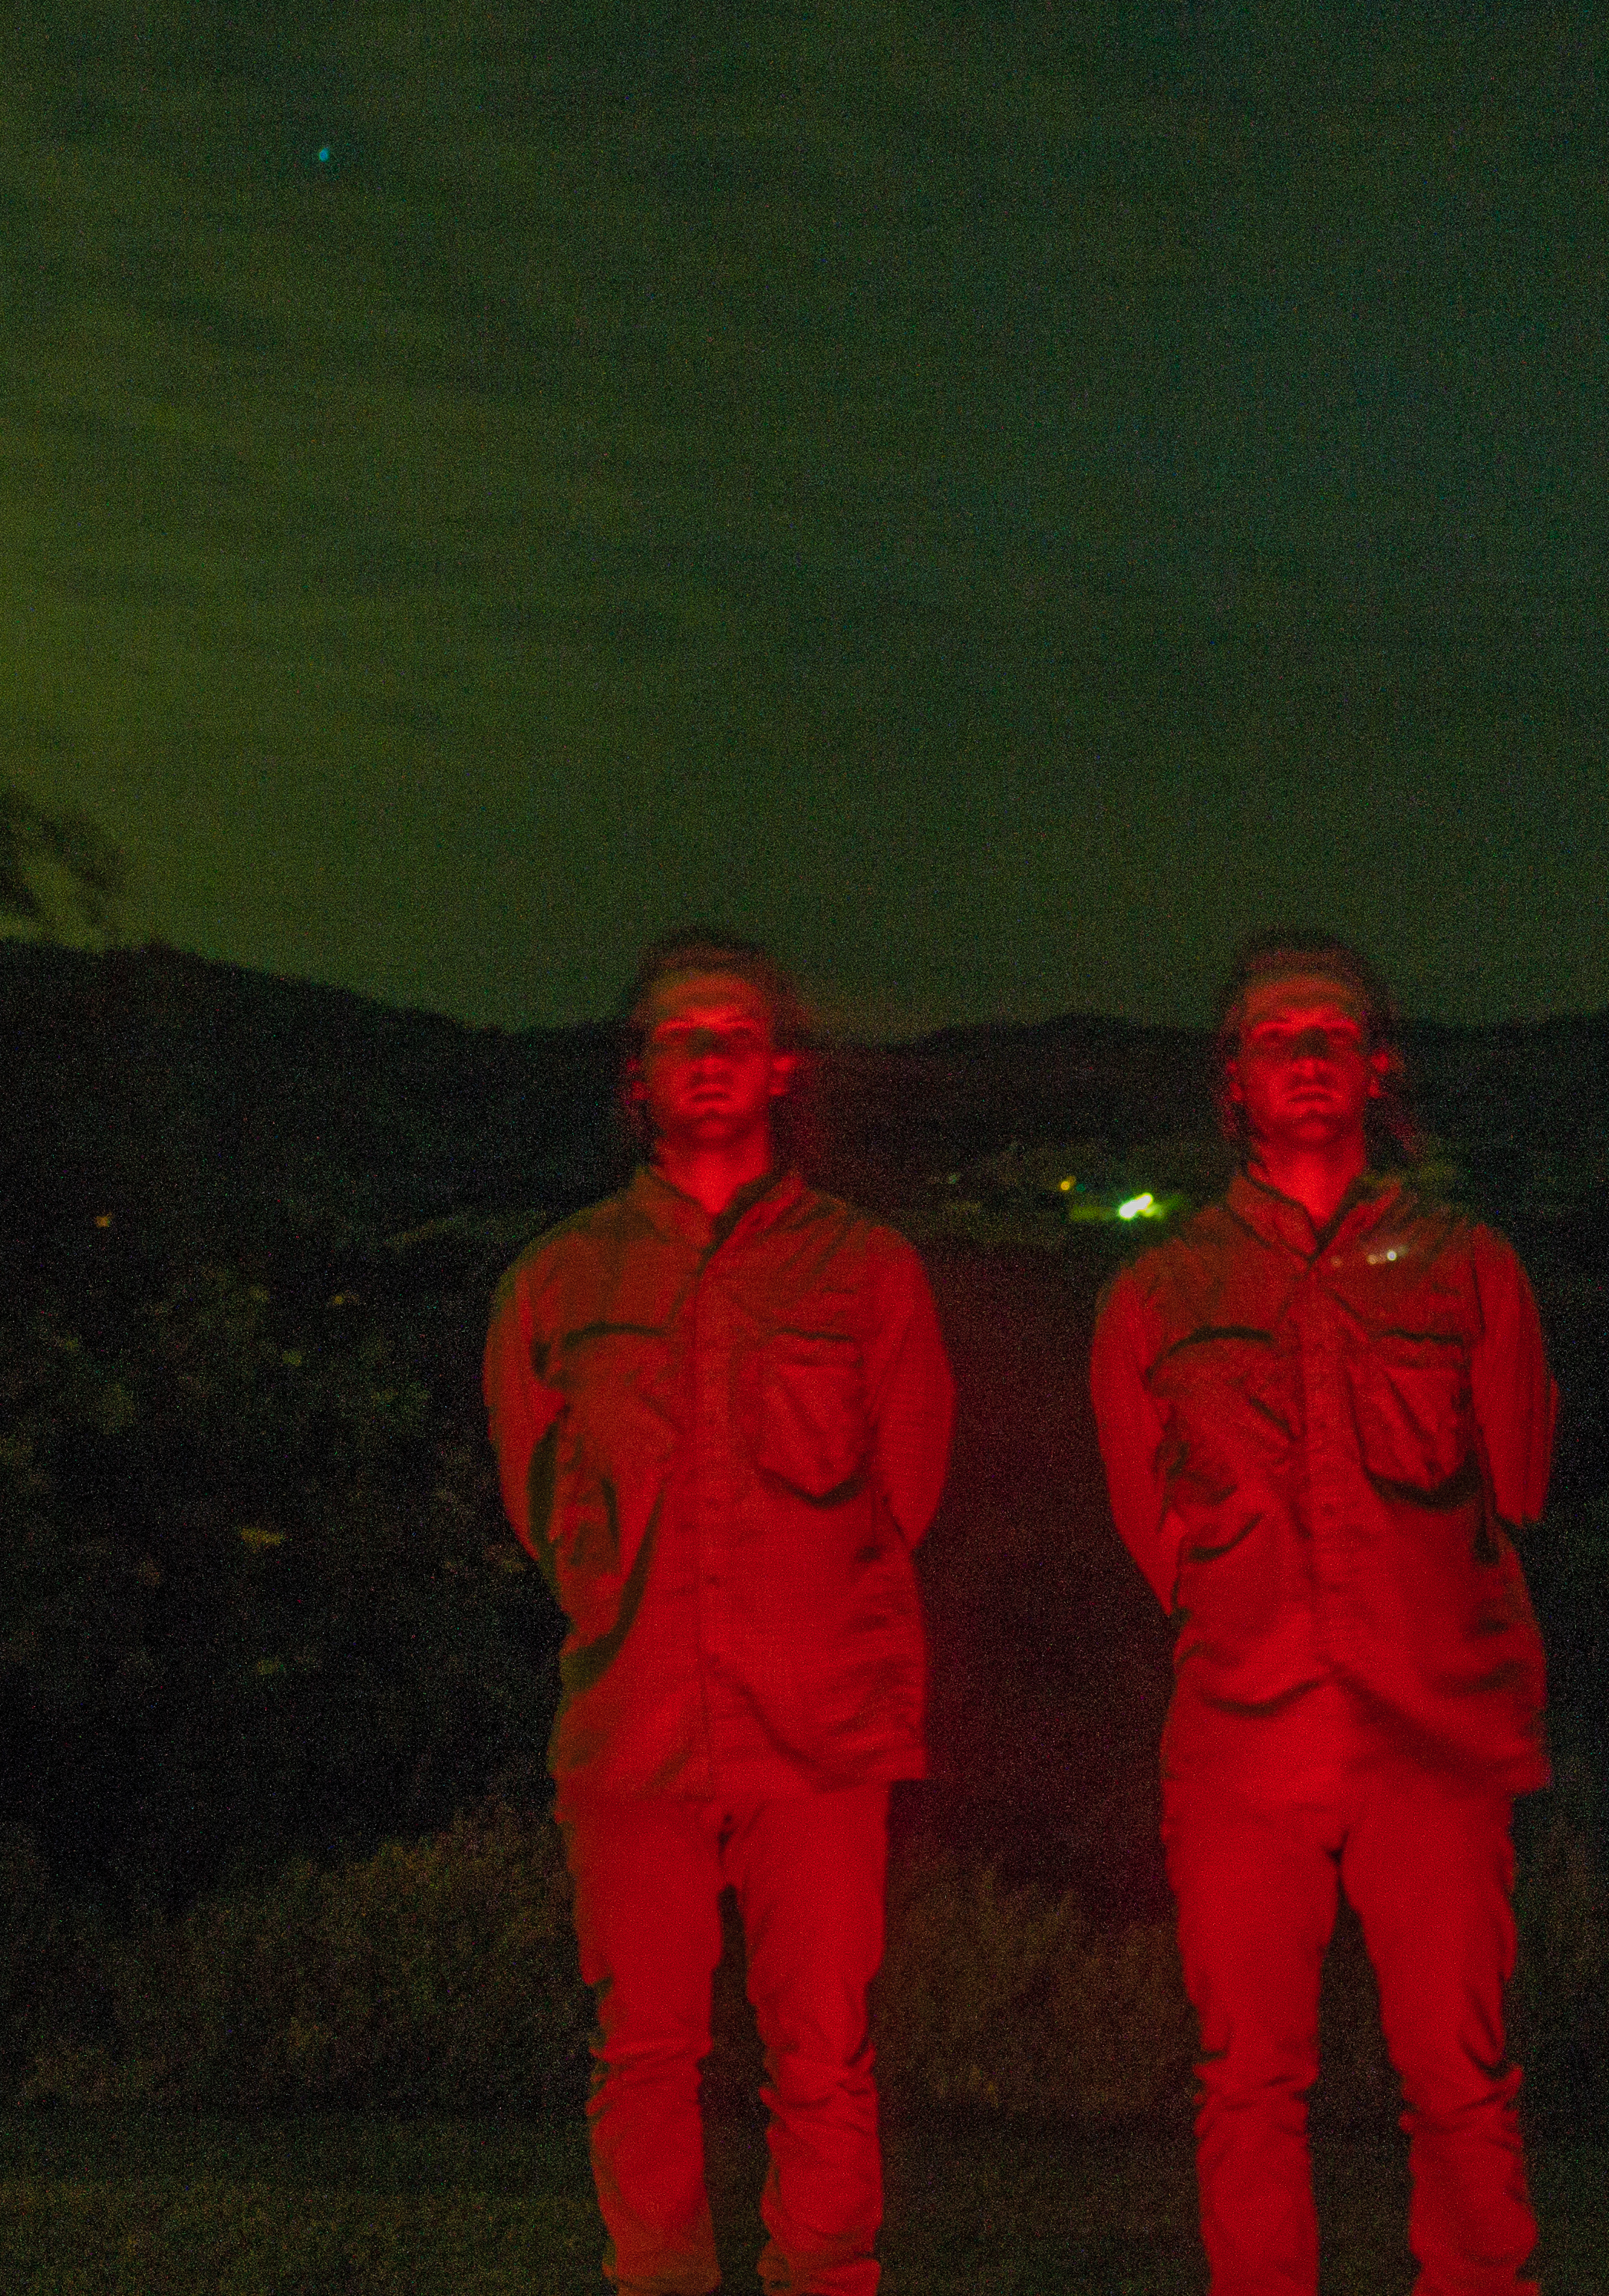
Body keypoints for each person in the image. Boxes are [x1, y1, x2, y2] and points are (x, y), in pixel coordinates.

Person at [1089, 931, 1557, 2296]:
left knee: (1460, 2076)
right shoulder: (1159, 1291)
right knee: (1246, 2079)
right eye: (1276, 1036)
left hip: (1439, 1737)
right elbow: (1153, 1530)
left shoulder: (1467, 1267)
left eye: (1333, 1034)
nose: (1305, 1056)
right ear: (1232, 1077)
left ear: (1375, 1068)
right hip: (1244, 1743)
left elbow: (1521, 1474)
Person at [486, 931, 951, 2296]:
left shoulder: (865, 1271)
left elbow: (907, 1484)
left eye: (734, 1033)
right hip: (634, 1726)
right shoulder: (560, 1280)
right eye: (677, 1036)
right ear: (637, 1073)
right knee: (642, 2051)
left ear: (781, 1067)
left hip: (822, 1725)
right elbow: (539, 1496)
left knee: (824, 2051)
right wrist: (619, 1601)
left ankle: (828, 2274)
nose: (706, 1058)